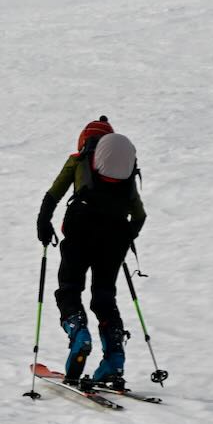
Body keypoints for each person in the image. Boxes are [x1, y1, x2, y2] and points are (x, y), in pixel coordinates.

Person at [36, 116, 146, 386]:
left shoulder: (78, 160)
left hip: (80, 230)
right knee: (104, 297)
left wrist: (43, 222)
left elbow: (53, 194)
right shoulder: (125, 172)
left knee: (69, 288)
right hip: (115, 237)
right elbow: (140, 215)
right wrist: (125, 237)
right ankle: (114, 358)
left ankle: (78, 334)